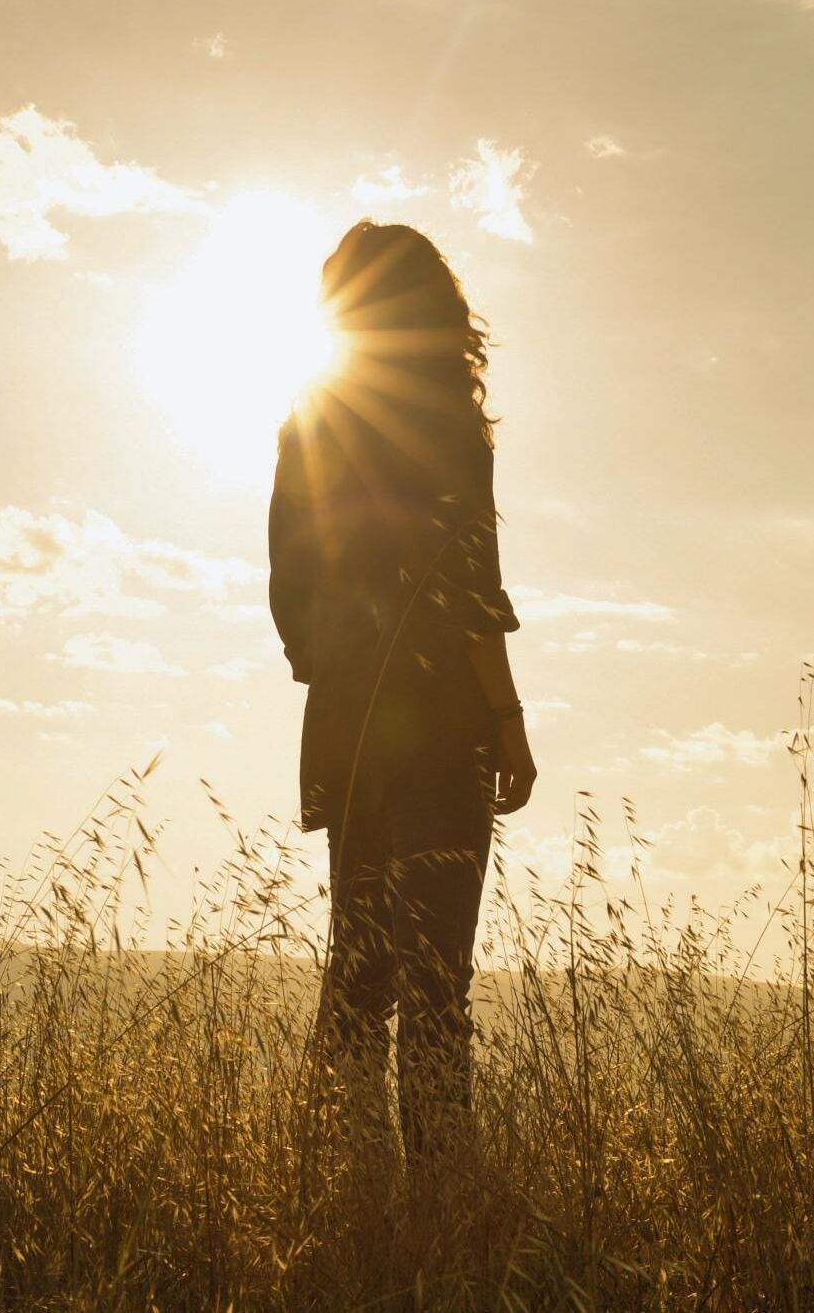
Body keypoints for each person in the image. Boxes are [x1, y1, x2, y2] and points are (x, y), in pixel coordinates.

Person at [269, 221, 536, 1175]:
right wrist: (507, 722)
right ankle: (438, 1207)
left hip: (349, 731)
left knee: (358, 975)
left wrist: (345, 671)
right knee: (434, 986)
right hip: (441, 734)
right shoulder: (449, 427)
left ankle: (336, 1186)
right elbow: (472, 593)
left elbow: (290, 593)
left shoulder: (308, 420)